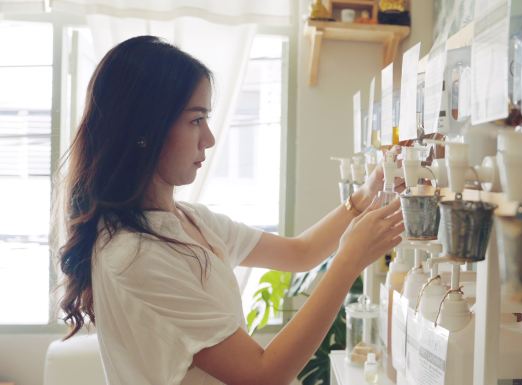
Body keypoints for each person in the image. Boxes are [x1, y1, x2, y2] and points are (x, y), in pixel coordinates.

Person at [56, 35, 404, 385]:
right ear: (146, 130)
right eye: (195, 120)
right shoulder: (133, 254)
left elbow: (301, 253)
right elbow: (262, 374)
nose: (208, 138)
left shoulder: (189, 219)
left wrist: (366, 194)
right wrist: (347, 263)